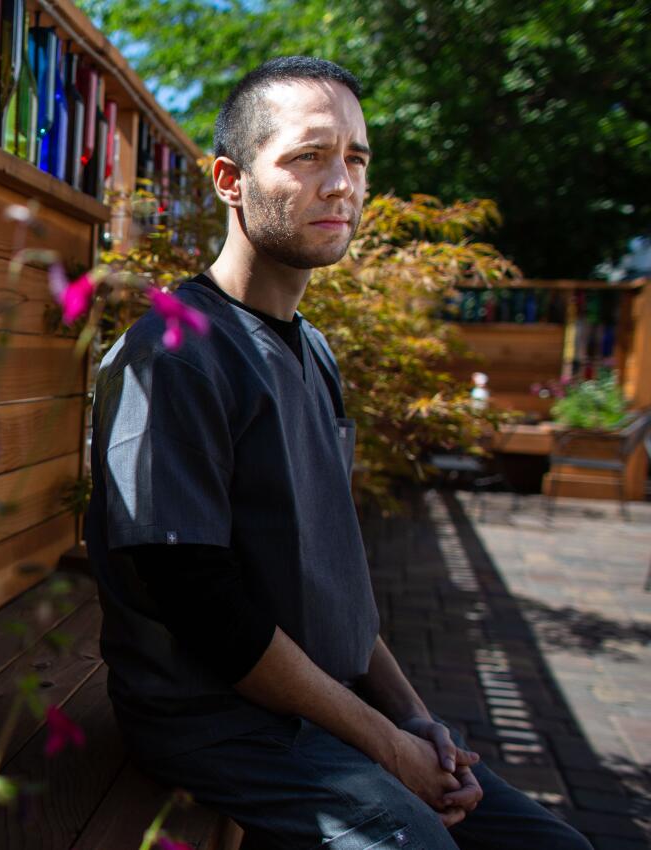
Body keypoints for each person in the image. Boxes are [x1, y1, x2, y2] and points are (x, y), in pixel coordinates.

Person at [83, 56, 592, 850]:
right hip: (220, 723)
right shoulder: (173, 355)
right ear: (230, 179)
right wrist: (386, 746)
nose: (343, 183)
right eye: (307, 156)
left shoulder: (313, 351)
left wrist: (414, 716)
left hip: (327, 708)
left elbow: (329, 580)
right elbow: (200, 604)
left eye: (356, 158)